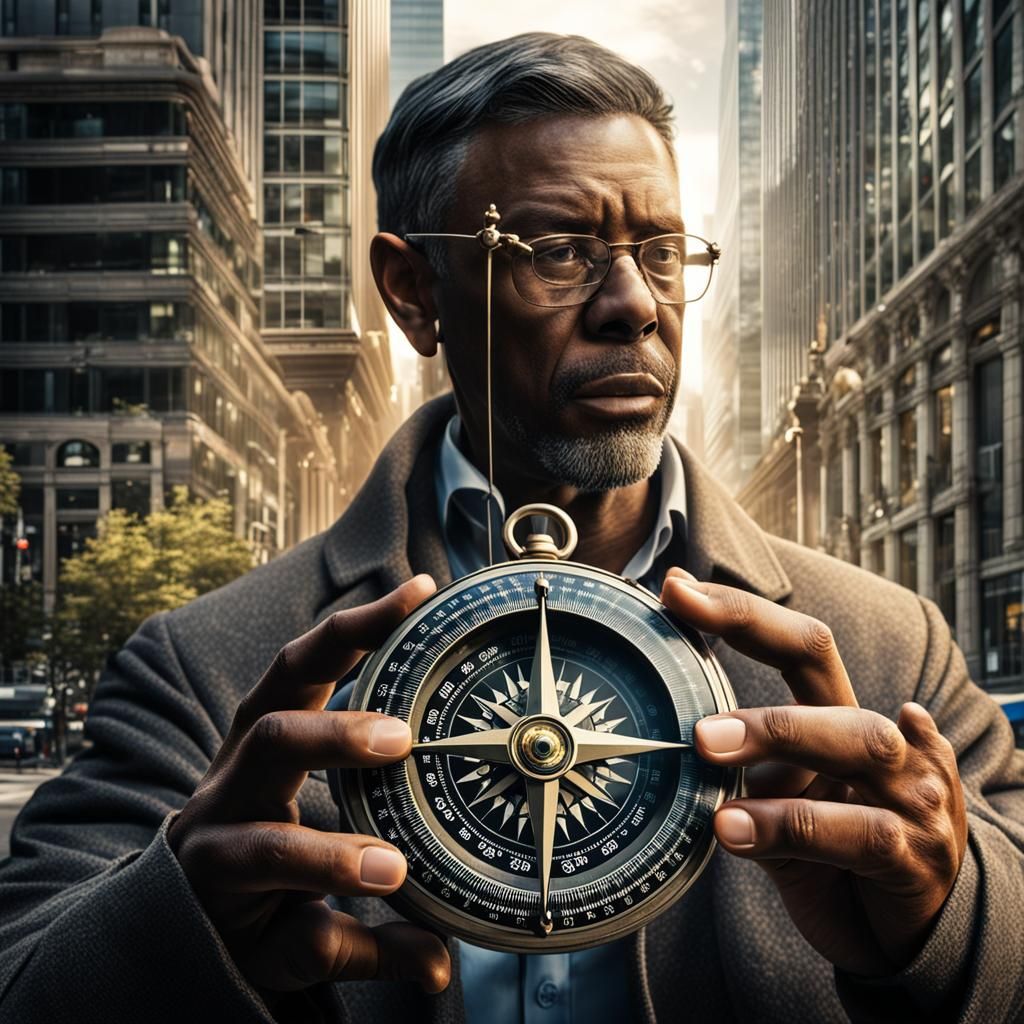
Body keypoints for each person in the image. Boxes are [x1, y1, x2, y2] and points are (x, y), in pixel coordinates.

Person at [1, 32, 1022, 1024]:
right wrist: (183, 925)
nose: (635, 305)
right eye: (560, 251)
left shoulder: (890, 651)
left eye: (664, 252)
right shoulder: (201, 671)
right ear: (414, 293)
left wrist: (942, 915)